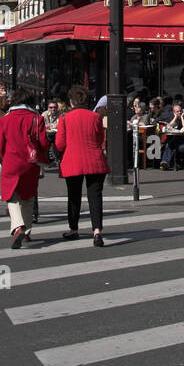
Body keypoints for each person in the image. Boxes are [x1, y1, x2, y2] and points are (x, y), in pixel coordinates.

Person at [55, 85, 109, 247]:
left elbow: (59, 144)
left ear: (71, 102)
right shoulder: (95, 117)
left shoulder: (64, 118)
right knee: (95, 196)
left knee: (73, 196)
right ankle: (97, 230)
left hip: (73, 160)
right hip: (94, 159)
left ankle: (73, 228)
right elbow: (100, 139)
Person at [0, 86, 49, 250]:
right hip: (30, 162)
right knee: (28, 197)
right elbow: (44, 143)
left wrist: (4, 158)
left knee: (11, 196)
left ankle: (18, 226)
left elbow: (1, 144)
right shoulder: (37, 118)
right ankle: (26, 230)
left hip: (11, 160)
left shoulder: (5, 119)